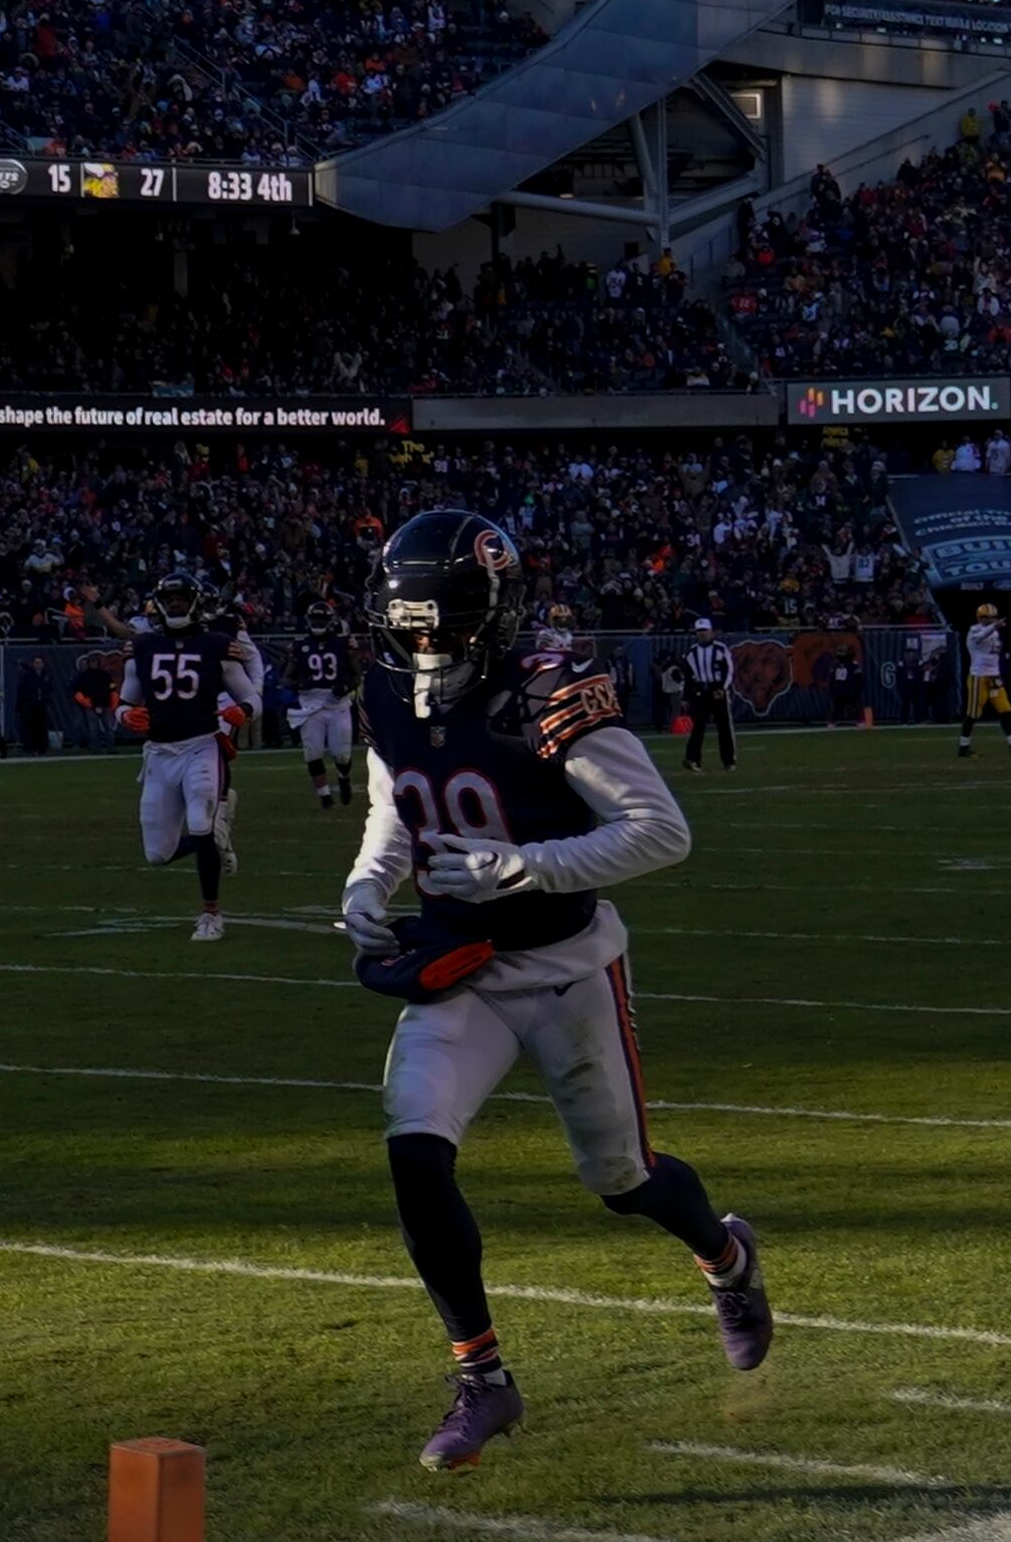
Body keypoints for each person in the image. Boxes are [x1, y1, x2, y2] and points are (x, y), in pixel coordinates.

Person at [339, 510, 769, 1473]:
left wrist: (524, 865)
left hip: (567, 963)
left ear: (491, 614)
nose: (424, 647)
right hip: (459, 963)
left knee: (622, 1179)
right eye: (409, 627)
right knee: (414, 1147)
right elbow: (394, 808)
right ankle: (482, 1377)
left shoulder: (547, 690)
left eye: (444, 625)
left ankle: (727, 1258)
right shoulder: (390, 689)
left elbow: (660, 831)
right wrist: (367, 886)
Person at [120, 574, 257, 941]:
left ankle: (211, 914)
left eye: (182, 598)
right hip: (159, 753)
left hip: (201, 745)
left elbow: (252, 697)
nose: (176, 604)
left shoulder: (217, 644)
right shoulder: (142, 646)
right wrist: (124, 715)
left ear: (195, 602)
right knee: (157, 854)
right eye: (170, 598)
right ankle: (218, 834)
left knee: (199, 822)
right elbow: (126, 700)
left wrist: (243, 710)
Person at [287, 599, 359, 809]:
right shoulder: (299, 646)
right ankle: (325, 795)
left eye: (322, 619)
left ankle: (344, 778)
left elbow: (357, 675)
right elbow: (286, 678)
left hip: (338, 704)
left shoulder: (343, 644)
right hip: (310, 705)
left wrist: (346, 687)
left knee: (342, 755)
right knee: (312, 753)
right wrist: (299, 684)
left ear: (330, 621)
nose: (318, 623)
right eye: (315, 619)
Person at [958, 603, 1011, 757]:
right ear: (979, 618)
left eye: (993, 617)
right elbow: (980, 637)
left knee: (1005, 709)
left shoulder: (995, 633)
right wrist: (994, 626)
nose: (990, 620)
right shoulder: (974, 630)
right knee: (973, 713)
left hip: (994, 677)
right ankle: (964, 746)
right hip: (979, 677)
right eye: (986, 617)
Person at [679, 621, 736, 772]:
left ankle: (729, 761)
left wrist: (722, 688)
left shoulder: (720, 649)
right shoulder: (692, 652)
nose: (702, 633)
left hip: (717, 690)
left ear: (711, 632)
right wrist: (685, 697)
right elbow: (688, 677)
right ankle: (692, 759)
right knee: (697, 727)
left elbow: (729, 670)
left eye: (705, 630)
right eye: (699, 630)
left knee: (724, 727)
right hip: (700, 691)